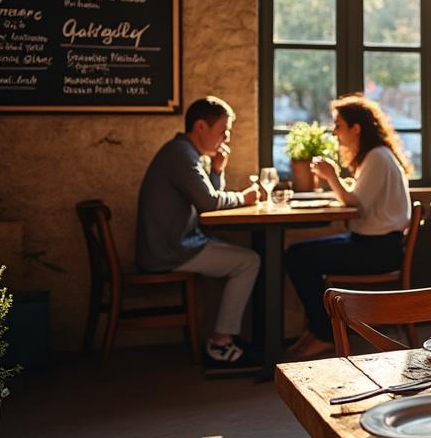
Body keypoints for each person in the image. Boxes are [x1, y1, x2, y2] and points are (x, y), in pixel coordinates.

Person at [283, 95, 413, 359]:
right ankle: (321, 330)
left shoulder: (377, 157)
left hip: (378, 249)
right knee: (298, 254)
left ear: (356, 128)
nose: (335, 131)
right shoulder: (374, 157)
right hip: (373, 243)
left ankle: (323, 333)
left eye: (338, 125)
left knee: (298, 257)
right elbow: (358, 200)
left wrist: (331, 176)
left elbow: (357, 205)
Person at [136, 96, 261, 371]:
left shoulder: (184, 152)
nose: (226, 139)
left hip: (175, 243)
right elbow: (209, 202)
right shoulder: (181, 154)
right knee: (249, 261)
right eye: (223, 131)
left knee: (243, 256)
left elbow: (207, 198)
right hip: (169, 250)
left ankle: (233, 338)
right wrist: (244, 198)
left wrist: (217, 171)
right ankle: (220, 343)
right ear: (201, 126)